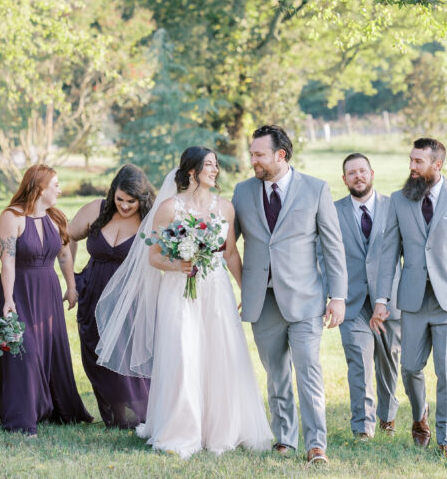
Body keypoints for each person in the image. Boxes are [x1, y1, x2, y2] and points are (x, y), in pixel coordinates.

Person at [96, 147, 274, 458]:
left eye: (216, 165)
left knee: (220, 354)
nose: (215, 170)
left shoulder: (226, 208)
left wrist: (245, 290)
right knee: (183, 355)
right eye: (209, 165)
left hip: (216, 289)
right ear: (191, 171)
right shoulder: (168, 208)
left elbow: (230, 253)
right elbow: (154, 256)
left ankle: (222, 428)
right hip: (179, 290)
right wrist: (178, 265)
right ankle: (181, 429)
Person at [232, 125, 348, 465]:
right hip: (261, 300)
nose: (252, 160)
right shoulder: (242, 192)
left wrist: (338, 296)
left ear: (280, 155)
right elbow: (226, 245)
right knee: (276, 372)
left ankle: (316, 444)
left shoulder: (315, 189)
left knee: (308, 369)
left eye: (259, 154)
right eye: (251, 153)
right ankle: (285, 437)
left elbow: (333, 245)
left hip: (306, 299)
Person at [373, 138, 447, 458]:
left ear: (437, 165)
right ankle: (419, 415)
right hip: (412, 300)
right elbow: (389, 253)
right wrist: (382, 299)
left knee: (446, 368)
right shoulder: (398, 200)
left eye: (418, 162)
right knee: (409, 367)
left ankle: (446, 437)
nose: (411, 167)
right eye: (410, 160)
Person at [0, 165, 92, 435]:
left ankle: (49, 406)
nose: (60, 189)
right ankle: (21, 418)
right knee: (25, 351)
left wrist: (71, 286)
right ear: (39, 188)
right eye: (55, 185)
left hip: (47, 290)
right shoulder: (11, 217)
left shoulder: (56, 217)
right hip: (18, 290)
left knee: (49, 348)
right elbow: (8, 261)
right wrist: (9, 298)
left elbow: (64, 255)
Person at [67, 164, 154, 428]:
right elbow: (68, 237)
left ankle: (138, 415)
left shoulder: (151, 217)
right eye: (120, 200)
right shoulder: (97, 209)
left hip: (130, 297)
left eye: (131, 201)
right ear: (112, 193)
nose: (125, 206)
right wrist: (70, 279)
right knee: (94, 356)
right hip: (92, 291)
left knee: (126, 356)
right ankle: (116, 413)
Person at [334, 153, 402, 440]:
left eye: (362, 171)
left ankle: (388, 416)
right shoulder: (332, 210)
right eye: (351, 173)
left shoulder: (394, 207)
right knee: (359, 361)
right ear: (344, 179)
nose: (358, 176)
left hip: (388, 300)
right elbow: (323, 254)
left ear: (372, 173)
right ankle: (363, 426)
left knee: (389, 362)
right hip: (350, 301)